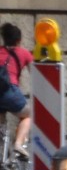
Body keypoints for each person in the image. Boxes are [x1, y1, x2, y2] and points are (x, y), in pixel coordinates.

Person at [0, 23, 33, 154]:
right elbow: (36, 76)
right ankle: (18, 144)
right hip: (10, 92)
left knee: (1, 125)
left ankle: (3, 157)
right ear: (19, 40)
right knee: (29, 115)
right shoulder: (24, 53)